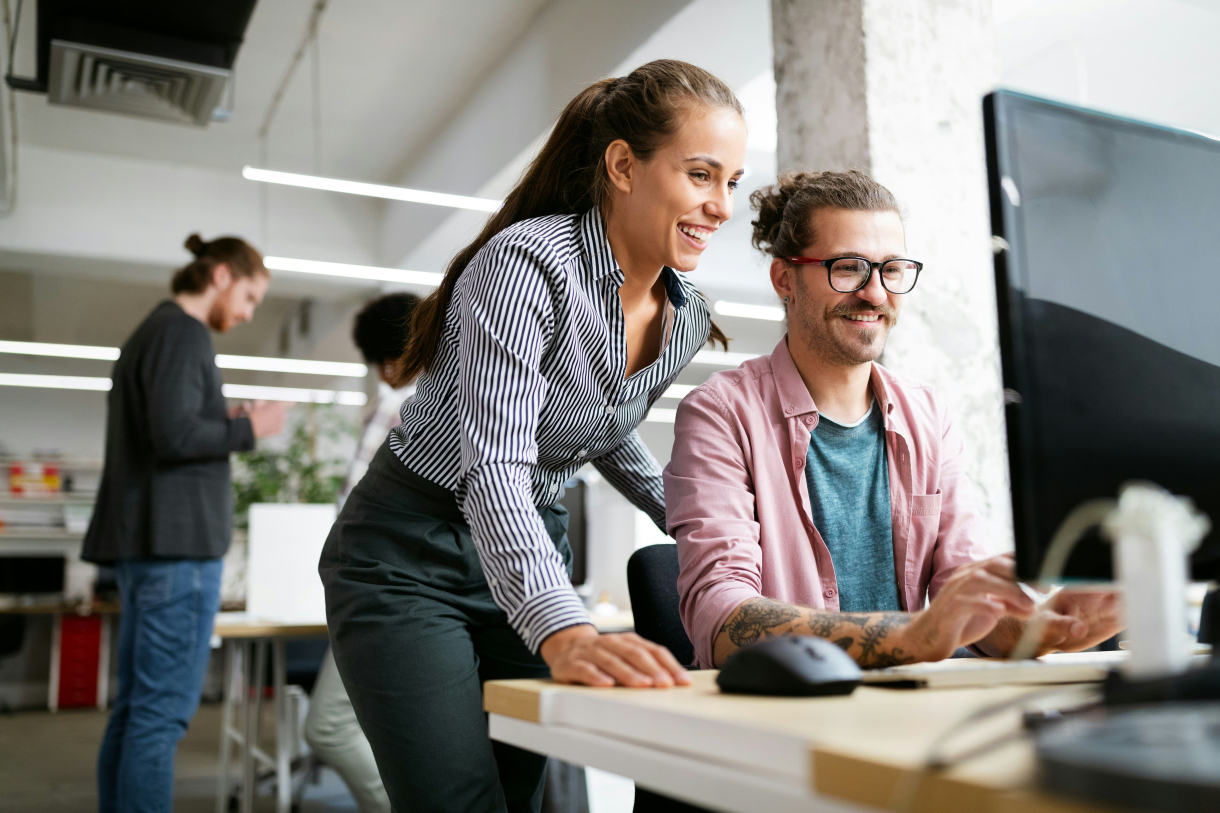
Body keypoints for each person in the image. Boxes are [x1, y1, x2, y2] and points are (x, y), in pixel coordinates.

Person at [319, 59, 747, 813]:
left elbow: (604, 429)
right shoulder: (525, 267)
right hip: (410, 549)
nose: (720, 206)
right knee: (459, 800)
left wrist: (704, 522)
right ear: (623, 164)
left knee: (519, 794)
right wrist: (565, 630)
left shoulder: (682, 315)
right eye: (702, 175)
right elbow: (495, 469)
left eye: (731, 183)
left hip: (525, 544)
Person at [665, 170, 1123, 670]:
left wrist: (1049, 626)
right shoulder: (720, 413)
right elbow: (722, 618)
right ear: (784, 279)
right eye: (849, 268)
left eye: (891, 270)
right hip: (785, 723)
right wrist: (916, 635)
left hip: (905, 717)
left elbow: (964, 603)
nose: (876, 294)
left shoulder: (928, 416)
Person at [84, 234, 287, 813]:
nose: (248, 313)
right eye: (249, 296)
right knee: (160, 716)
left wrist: (224, 417)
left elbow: (169, 426)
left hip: (153, 547)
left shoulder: (158, 331)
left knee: (137, 713)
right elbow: (173, 437)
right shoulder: (182, 332)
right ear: (221, 276)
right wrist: (254, 428)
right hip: (177, 550)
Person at [304, 293, 419, 813]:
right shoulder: (467, 399)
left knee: (327, 726)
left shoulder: (395, 410)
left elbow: (353, 516)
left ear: (388, 360)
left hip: (382, 592)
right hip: (420, 591)